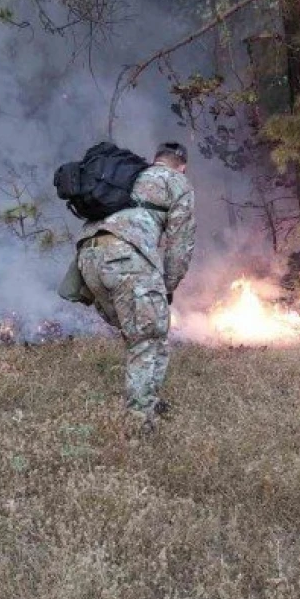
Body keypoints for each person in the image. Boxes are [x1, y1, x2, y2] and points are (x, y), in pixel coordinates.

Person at [74, 142, 196, 430]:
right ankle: (139, 421)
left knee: (142, 332)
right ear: (182, 165)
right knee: (148, 335)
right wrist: (168, 286)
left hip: (88, 256)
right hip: (126, 257)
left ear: (156, 160)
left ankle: (148, 398)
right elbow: (180, 245)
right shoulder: (177, 182)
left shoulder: (131, 175)